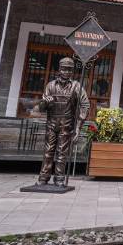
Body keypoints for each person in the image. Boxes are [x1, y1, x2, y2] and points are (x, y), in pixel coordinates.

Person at [37, 57, 90, 186]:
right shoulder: (50, 86)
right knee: (48, 151)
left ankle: (59, 178)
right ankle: (43, 177)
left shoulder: (77, 86)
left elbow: (85, 105)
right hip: (52, 123)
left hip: (66, 124)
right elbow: (41, 108)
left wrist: (78, 127)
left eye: (69, 70)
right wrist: (45, 102)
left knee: (62, 152)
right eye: (64, 69)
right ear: (59, 69)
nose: (66, 72)